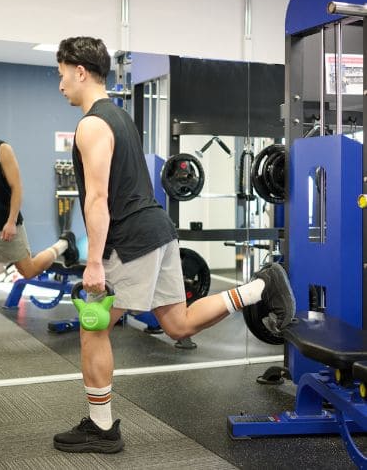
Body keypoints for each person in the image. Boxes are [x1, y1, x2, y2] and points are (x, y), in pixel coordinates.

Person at [52, 37, 296, 454]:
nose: (60, 85)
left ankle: (102, 427)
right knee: (178, 325)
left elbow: (97, 198)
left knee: (93, 327)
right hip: (157, 229)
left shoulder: (91, 125)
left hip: (131, 239)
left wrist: (93, 262)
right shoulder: (120, 116)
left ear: (79, 71)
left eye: (61, 76)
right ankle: (259, 287)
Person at [0, 101, 79, 339]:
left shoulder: (1, 149)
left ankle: (63, 243)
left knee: (28, 270)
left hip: (4, 224)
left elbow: (17, 188)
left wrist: (11, 221)